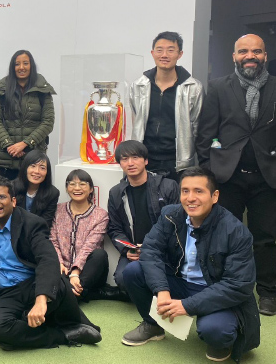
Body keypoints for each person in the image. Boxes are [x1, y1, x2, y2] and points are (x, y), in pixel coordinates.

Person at [121, 167, 259, 362]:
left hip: (213, 289)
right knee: (133, 271)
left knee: (215, 331)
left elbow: (239, 285)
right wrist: (162, 291)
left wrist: (187, 306)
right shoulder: (170, 215)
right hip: (180, 282)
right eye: (185, 191)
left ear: (215, 196)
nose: (190, 198)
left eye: (199, 191)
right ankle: (153, 325)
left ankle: (222, 341)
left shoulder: (235, 231)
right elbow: (151, 250)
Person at [196, 33, 276, 316]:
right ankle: (220, 286)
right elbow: (206, 134)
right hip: (227, 177)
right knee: (223, 236)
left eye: (256, 51)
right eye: (243, 51)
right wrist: (209, 174)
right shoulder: (218, 87)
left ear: (265, 55)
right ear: (234, 56)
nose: (250, 56)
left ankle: (267, 293)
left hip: (267, 178)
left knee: (266, 238)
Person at [0, 176, 101, 350]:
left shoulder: (32, 223)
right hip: (7, 292)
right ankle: (63, 334)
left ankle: (25, 330)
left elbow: (48, 259)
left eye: (1, 197)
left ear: (13, 201)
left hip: (33, 285)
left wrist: (41, 299)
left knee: (58, 283)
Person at [129, 31, 204, 182]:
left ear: (180, 54)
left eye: (170, 50)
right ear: (152, 53)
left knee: (176, 204)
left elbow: (197, 127)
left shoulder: (193, 87)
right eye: (159, 50)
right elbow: (135, 120)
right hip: (145, 160)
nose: (164, 55)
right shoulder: (139, 85)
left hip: (178, 162)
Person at [107, 140, 179, 295]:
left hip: (163, 250)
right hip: (134, 251)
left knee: (169, 280)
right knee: (122, 279)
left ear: (146, 161)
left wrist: (152, 247)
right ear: (120, 164)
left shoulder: (168, 186)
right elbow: (114, 228)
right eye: (124, 159)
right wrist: (127, 250)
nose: (130, 163)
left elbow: (178, 224)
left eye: (135, 157)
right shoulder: (116, 193)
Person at [0, 50, 56, 180]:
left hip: (33, 155)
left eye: (25, 63)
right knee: (8, 196)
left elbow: (48, 122)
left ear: (31, 65)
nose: (21, 67)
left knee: (33, 196)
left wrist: (25, 143)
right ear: (12, 67)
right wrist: (9, 145)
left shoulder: (42, 89)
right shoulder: (3, 88)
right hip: (6, 156)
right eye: (17, 64)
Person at [50, 169, 109, 301]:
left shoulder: (101, 215)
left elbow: (90, 245)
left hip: (88, 272)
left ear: (91, 189)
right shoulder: (57, 210)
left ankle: (70, 293)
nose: (77, 188)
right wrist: (59, 263)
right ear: (66, 188)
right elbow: (52, 240)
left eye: (82, 184)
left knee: (100, 255)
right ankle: (86, 294)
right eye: (72, 184)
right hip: (62, 270)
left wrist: (75, 273)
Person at [12, 150, 60, 229]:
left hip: (37, 234)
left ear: (47, 172)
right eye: (33, 166)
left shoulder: (53, 193)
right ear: (25, 168)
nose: (37, 171)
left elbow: (45, 223)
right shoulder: (12, 187)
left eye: (42, 168)